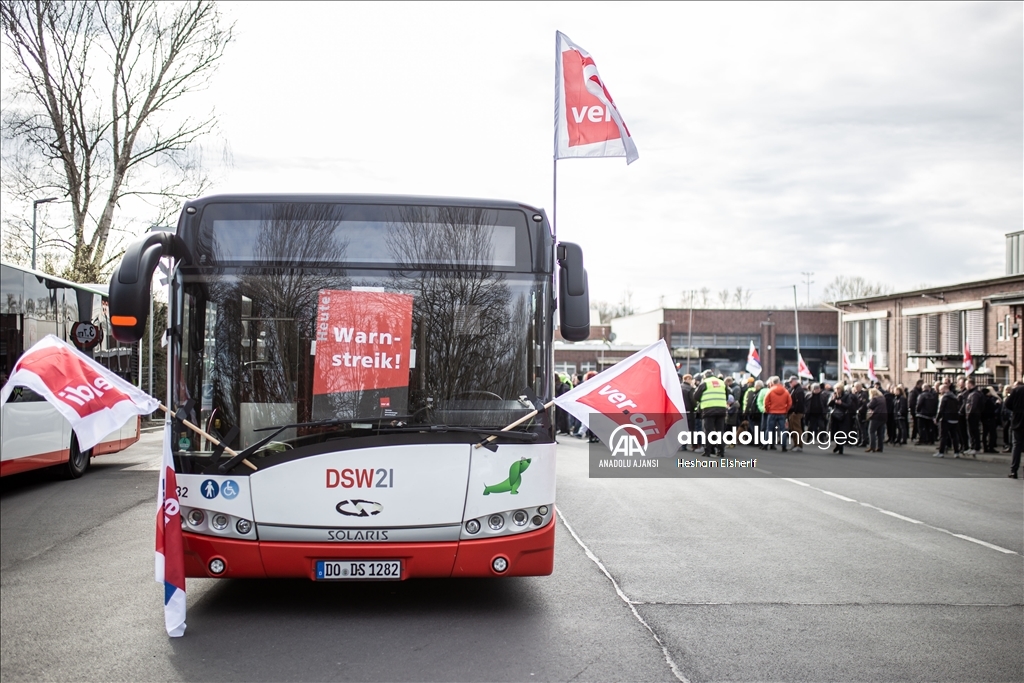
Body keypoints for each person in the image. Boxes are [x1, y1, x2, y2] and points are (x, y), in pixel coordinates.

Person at [694, 370, 728, 456]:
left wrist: (703, 400)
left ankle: (707, 451)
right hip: (721, 410)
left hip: (708, 410)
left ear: (705, 376)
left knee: (708, 431)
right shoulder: (721, 382)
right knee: (720, 431)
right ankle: (721, 451)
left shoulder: (705, 383)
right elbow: (727, 395)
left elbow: (696, 396)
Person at [763, 376, 792, 451]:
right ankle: (784, 446)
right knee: (783, 430)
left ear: (772, 382)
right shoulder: (785, 391)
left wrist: (768, 410)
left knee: (769, 429)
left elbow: (766, 402)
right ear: (779, 382)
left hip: (772, 412)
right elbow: (789, 403)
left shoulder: (770, 391)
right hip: (782, 413)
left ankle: (765, 445)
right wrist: (785, 410)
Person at [933, 383, 962, 458]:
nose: (940, 392)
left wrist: (937, 419)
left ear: (944, 389)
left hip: (945, 419)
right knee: (954, 436)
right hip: (955, 419)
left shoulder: (944, 398)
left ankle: (941, 452)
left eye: (940, 390)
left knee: (943, 436)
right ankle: (956, 452)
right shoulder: (955, 397)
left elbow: (941, 409)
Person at [1003, 379, 1023, 479]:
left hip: (1018, 421)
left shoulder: (1016, 391)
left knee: (1016, 446)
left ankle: (1014, 470)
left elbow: (1007, 403)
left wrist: (1015, 410)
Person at [828, 382, 855, 454]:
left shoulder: (846, 396)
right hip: (835, 416)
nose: (837, 390)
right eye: (836, 389)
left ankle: (840, 447)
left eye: (838, 388)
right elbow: (829, 405)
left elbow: (849, 405)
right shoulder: (834, 395)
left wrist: (841, 403)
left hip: (843, 417)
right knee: (835, 431)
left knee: (841, 432)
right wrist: (833, 399)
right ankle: (837, 445)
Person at [961, 378, 983, 456]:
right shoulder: (971, 393)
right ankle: (972, 447)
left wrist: (969, 413)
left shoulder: (975, 394)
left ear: (970, 384)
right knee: (971, 432)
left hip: (973, 415)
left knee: (974, 431)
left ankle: (976, 448)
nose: (966, 386)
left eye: (967, 384)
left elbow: (973, 405)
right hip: (971, 415)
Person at [865, 388, 888, 453]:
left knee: (871, 431)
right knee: (880, 433)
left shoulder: (874, 399)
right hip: (883, 417)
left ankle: (872, 446)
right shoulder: (882, 398)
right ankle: (880, 447)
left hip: (876, 416)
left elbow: (869, 405)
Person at [787, 376, 806, 452]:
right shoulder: (795, 389)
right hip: (794, 412)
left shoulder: (799, 390)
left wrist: (795, 411)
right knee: (793, 428)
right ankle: (795, 444)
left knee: (797, 429)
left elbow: (799, 402)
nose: (790, 384)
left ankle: (799, 445)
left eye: (791, 382)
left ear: (795, 381)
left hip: (796, 412)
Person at [908, 379, 924, 443]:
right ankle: (913, 436)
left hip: (919, 411)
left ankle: (916, 436)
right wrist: (913, 410)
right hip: (915, 411)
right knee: (915, 424)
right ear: (918, 384)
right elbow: (911, 402)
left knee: (917, 424)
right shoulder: (914, 392)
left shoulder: (920, 391)